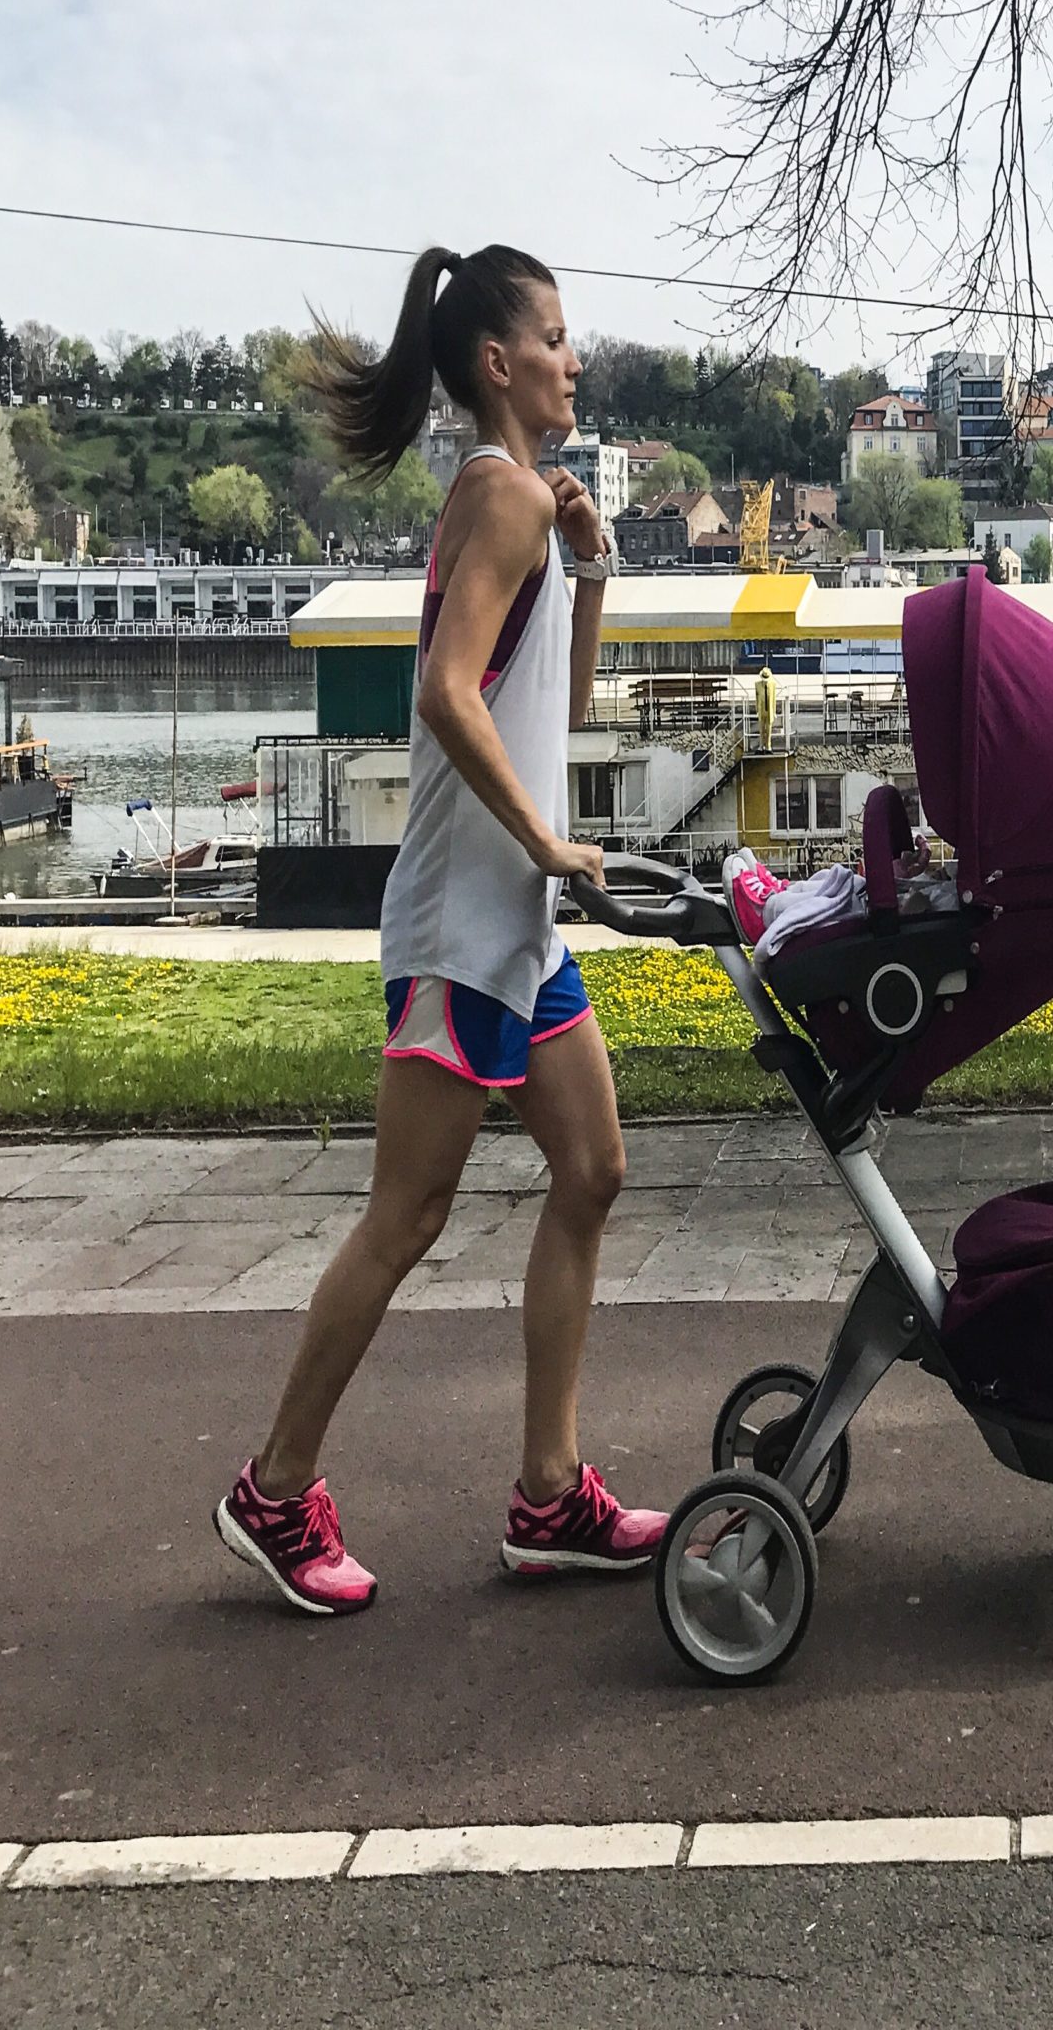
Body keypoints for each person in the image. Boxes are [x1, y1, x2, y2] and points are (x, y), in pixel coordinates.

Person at [215, 244, 664, 1616]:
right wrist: (543, 841)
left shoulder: (520, 505)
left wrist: (591, 570)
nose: (573, 358)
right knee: (405, 1219)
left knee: (591, 1170)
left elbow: (551, 704)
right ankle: (273, 1491)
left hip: (516, 929)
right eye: (557, 336)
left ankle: (549, 1496)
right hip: (464, 927)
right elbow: (445, 695)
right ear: (498, 363)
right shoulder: (503, 495)